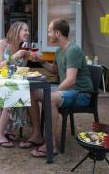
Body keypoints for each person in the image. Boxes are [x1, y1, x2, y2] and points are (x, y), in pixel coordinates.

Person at [22, 19, 93, 157]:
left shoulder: (73, 50)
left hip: (82, 94)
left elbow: (71, 80)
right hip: (69, 92)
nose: (48, 34)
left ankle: (51, 144)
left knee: (50, 97)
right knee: (33, 93)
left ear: (57, 33)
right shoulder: (59, 51)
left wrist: (54, 91)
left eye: (50, 31)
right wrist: (41, 62)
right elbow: (55, 70)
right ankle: (37, 134)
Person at [0, 21, 30, 148]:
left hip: (12, 80)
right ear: (17, 30)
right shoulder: (2, 43)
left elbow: (19, 69)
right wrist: (15, 56)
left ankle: (8, 131)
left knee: (19, 89)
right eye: (25, 30)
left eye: (27, 30)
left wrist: (25, 58)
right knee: (15, 91)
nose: (28, 33)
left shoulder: (22, 47)